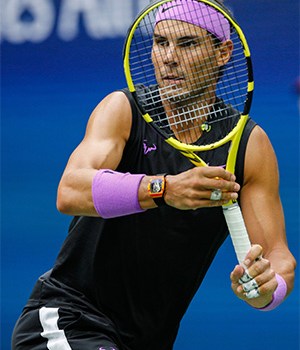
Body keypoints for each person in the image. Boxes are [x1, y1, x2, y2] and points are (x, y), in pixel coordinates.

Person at [12, 1, 296, 349]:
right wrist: (163, 189)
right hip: (71, 318)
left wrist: (267, 290)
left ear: (223, 53)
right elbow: (70, 191)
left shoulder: (249, 146)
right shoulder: (122, 111)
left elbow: (278, 257)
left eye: (187, 44)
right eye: (161, 42)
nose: (168, 57)